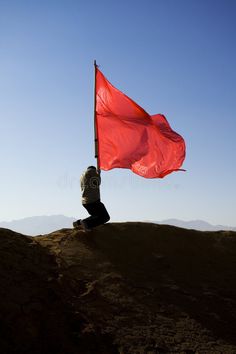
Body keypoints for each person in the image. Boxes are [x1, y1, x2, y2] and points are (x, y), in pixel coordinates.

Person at [73, 166, 110, 231]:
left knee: (95, 216)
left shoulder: (82, 175)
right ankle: (86, 223)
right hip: (93, 200)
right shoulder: (92, 172)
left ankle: (78, 223)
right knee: (105, 217)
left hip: (85, 201)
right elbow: (97, 182)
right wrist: (98, 174)